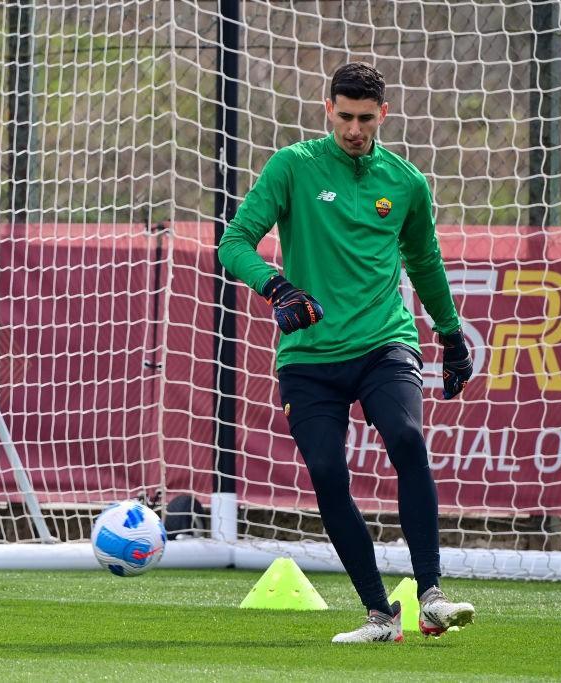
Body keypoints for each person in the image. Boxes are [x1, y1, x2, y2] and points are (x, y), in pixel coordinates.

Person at [217, 62, 475, 643]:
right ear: (327, 108)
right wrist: (276, 286)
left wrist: (452, 334)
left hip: (386, 343)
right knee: (329, 474)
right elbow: (233, 242)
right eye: (345, 116)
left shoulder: (405, 182)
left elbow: (425, 263)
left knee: (406, 439)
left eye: (365, 118)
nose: (354, 129)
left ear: (383, 114)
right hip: (308, 358)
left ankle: (430, 594)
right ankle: (380, 616)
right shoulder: (293, 167)